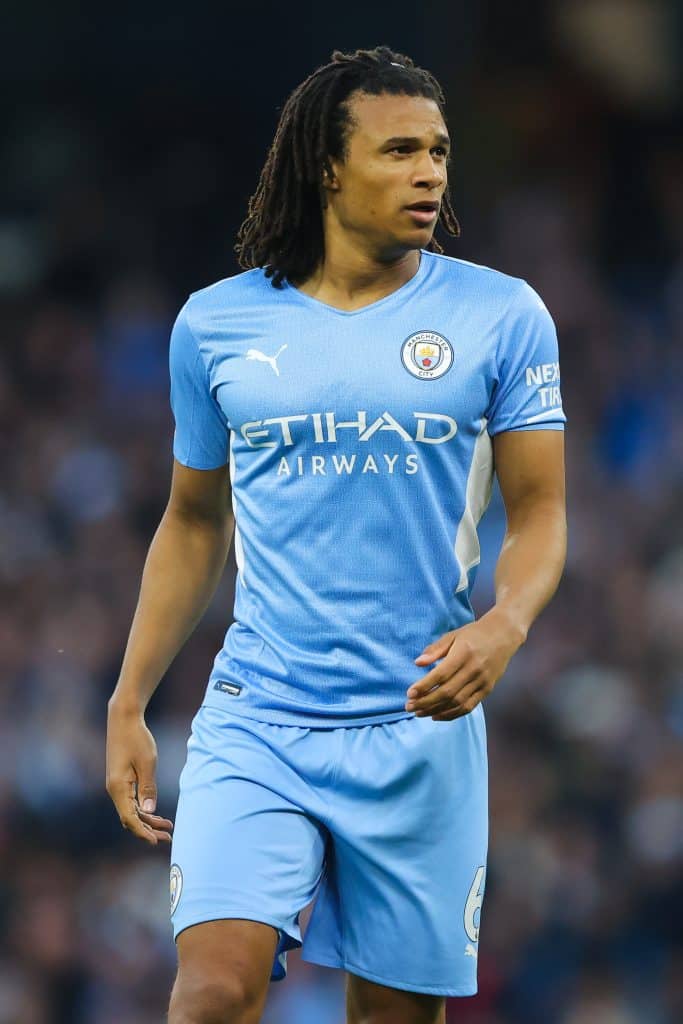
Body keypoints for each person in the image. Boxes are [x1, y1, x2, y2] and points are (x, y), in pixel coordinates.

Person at [105, 45, 567, 1024]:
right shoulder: (216, 326)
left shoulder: (500, 315)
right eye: (398, 150)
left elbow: (539, 511)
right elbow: (192, 522)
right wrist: (128, 698)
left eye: (437, 151)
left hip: (419, 726)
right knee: (212, 992)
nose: (428, 172)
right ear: (326, 164)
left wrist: (504, 623)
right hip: (258, 718)